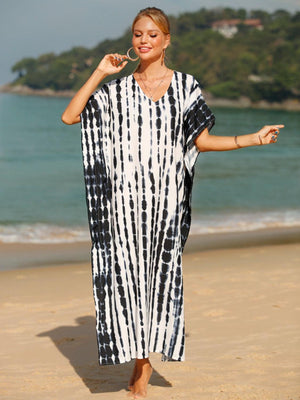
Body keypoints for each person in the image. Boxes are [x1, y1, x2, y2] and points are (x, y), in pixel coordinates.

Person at [61, 7, 284, 399]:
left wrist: (252, 138)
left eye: (151, 34)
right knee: (126, 284)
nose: (143, 40)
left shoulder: (185, 87)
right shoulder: (116, 92)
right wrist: (100, 72)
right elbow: (70, 115)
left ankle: (143, 369)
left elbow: (201, 142)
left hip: (166, 206)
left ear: (166, 40)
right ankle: (137, 363)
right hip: (123, 208)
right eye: (136, 34)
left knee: (161, 283)